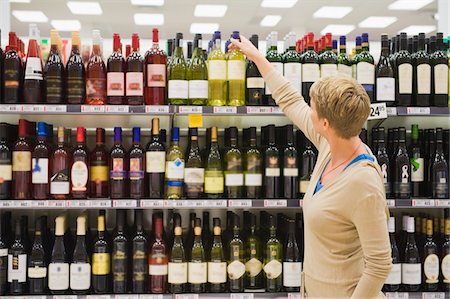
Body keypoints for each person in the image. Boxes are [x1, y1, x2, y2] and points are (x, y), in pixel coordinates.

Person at [229, 36, 392, 298]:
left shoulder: (363, 182)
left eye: (313, 107)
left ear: (325, 122)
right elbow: (291, 101)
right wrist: (257, 57)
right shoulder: (331, 145)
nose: (308, 110)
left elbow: (380, 264)